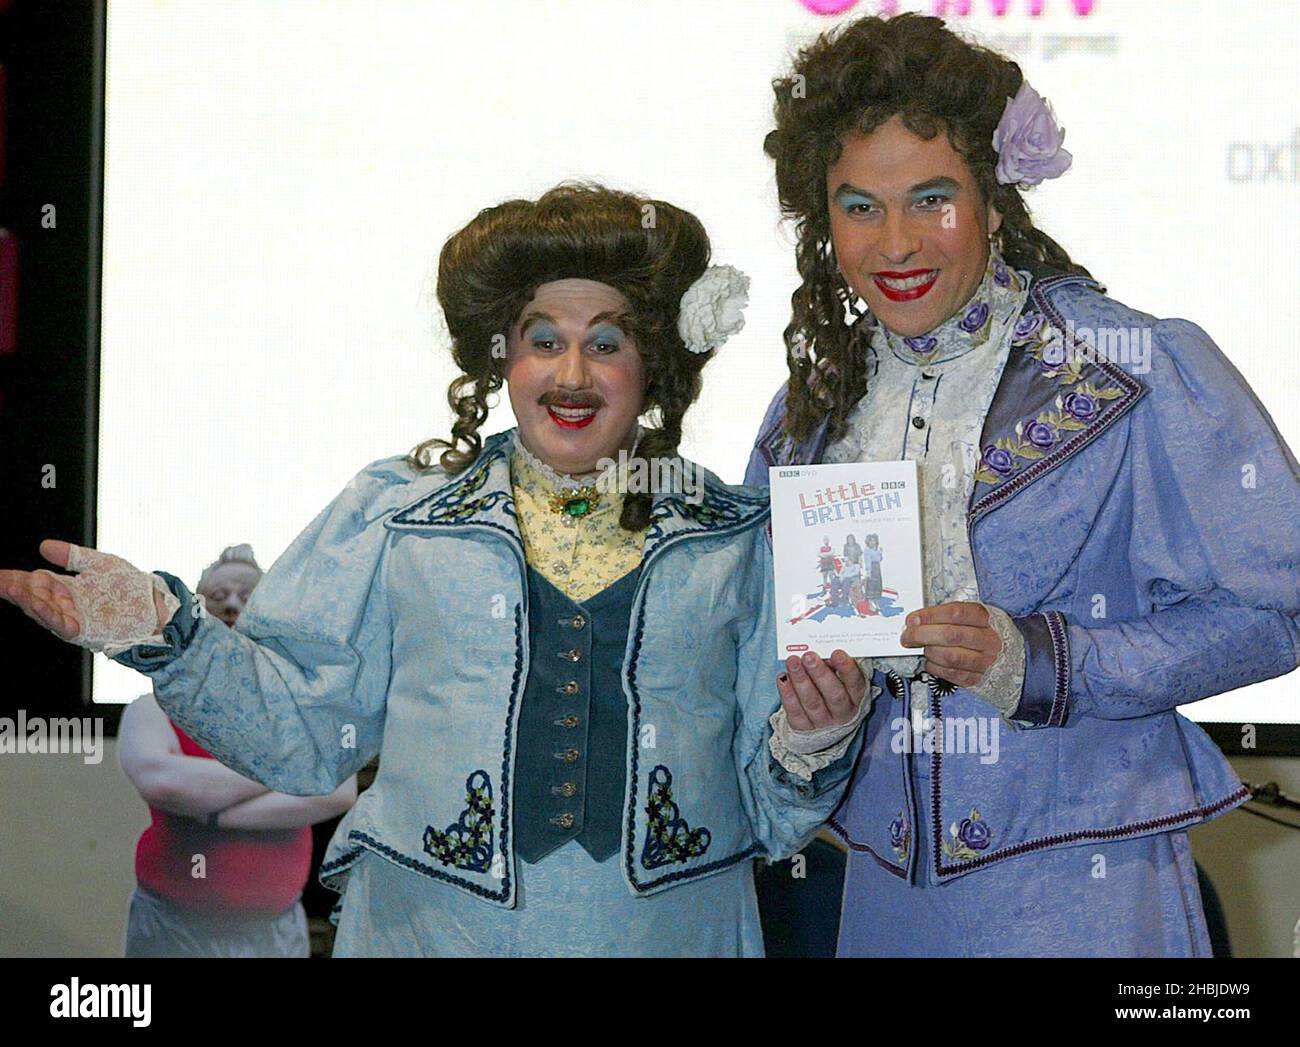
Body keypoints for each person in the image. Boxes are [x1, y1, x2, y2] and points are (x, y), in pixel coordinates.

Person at [2, 184, 871, 957]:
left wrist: (816, 735)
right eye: (543, 340)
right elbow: (301, 734)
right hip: (426, 932)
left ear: (653, 373)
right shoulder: (401, 518)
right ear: (503, 358)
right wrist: (165, 629)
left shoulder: (737, 539)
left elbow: (774, 811)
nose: (571, 374)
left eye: (606, 343)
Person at [746, 13, 1300, 957]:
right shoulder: (810, 414)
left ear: (996, 200)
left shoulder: (1135, 367)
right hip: (886, 904)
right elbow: (761, 656)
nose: (897, 245)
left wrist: (1042, 661)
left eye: (932, 199)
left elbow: (1280, 609)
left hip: (1089, 895)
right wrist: (814, 726)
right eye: (860, 205)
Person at [118, 544, 357, 958]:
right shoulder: (152, 705)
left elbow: (337, 789)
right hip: (171, 927)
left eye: (247, 598)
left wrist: (210, 810)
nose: (231, 605)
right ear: (195, 614)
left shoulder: (302, 709)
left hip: (274, 931)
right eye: (217, 596)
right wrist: (286, 770)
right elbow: (164, 783)